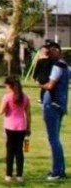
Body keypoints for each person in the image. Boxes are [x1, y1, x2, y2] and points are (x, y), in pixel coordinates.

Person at [41, 40, 70, 181]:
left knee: (53, 139)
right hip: (61, 104)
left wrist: (42, 84)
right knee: (56, 139)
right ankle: (59, 169)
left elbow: (51, 85)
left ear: (58, 51)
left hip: (52, 104)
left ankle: (57, 171)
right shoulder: (67, 67)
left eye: (53, 50)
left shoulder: (57, 66)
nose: (50, 52)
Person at [0, 76, 31, 183]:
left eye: (6, 86)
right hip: (21, 126)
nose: (5, 88)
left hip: (9, 127)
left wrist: (4, 108)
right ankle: (19, 175)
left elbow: (0, 111)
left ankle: (8, 175)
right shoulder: (25, 97)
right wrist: (28, 127)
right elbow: (28, 114)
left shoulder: (7, 97)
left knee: (10, 151)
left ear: (10, 86)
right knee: (19, 151)